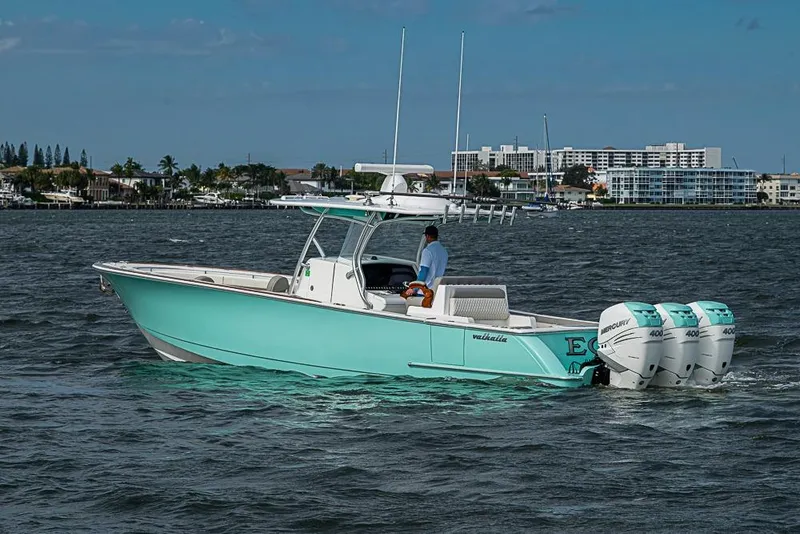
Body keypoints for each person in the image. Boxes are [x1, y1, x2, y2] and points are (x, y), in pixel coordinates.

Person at [402, 225, 448, 298]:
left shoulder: (427, 251)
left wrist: (414, 288)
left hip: (425, 292)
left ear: (427, 236)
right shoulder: (444, 251)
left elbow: (423, 272)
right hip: (437, 290)